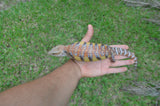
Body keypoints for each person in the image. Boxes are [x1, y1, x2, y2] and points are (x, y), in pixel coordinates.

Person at [0, 25, 134, 106]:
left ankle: (128, 57)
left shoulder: (71, 54)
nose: (54, 54)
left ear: (61, 52)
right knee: (114, 51)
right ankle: (126, 56)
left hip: (103, 54)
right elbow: (81, 49)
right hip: (103, 49)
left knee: (114, 53)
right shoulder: (71, 47)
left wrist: (76, 65)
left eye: (55, 53)